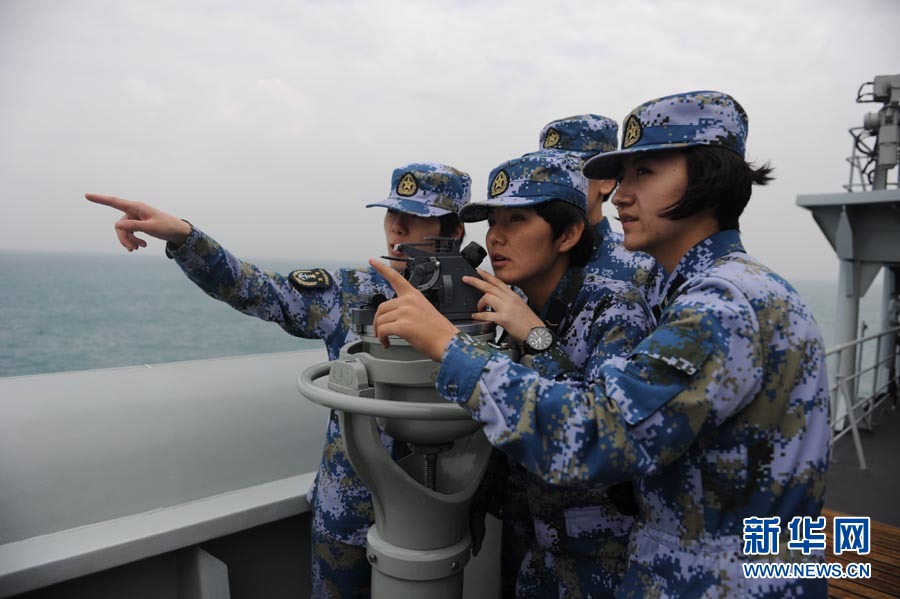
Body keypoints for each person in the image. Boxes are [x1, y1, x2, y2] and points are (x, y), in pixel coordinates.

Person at [367, 91, 831, 598]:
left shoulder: (721, 305)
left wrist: (447, 346)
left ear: (709, 177)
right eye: (623, 176)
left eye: (645, 173)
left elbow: (598, 435)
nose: (621, 196)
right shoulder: (721, 288)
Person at [85, 162, 471, 599]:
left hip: (439, 518)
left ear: (453, 231)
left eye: (415, 216)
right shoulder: (349, 293)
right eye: (390, 213)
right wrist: (183, 236)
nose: (396, 227)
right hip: (345, 521)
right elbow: (259, 290)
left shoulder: (483, 309)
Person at [396, 150, 653, 597]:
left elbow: (599, 433)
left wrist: (535, 336)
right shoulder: (510, 300)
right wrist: (478, 498)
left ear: (569, 233)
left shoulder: (615, 308)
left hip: (598, 560)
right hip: (528, 543)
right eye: (492, 223)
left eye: (516, 221)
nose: (495, 238)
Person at [539, 114, 664, 307]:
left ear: (606, 181)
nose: (554, 183)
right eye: (546, 173)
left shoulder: (643, 266)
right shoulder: (533, 260)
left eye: (570, 171)